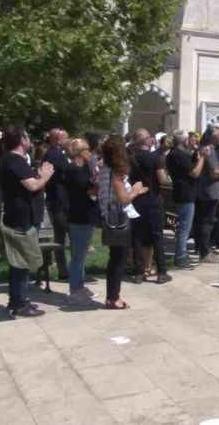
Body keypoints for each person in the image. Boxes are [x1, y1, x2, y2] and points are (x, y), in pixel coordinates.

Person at [0, 125, 54, 318]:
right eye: (27, 137)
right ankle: (20, 303)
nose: (30, 140)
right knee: (22, 262)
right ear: (22, 140)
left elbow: (28, 183)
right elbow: (32, 186)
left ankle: (16, 301)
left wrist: (39, 175)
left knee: (19, 262)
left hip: (23, 216)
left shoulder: (13, 160)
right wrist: (45, 176)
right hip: (22, 219)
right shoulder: (14, 160)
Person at [98, 135, 148, 310]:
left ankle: (112, 296)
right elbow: (123, 199)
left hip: (108, 215)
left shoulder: (104, 168)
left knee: (116, 258)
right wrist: (135, 191)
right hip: (119, 218)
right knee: (118, 259)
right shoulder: (116, 172)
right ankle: (113, 298)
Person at [129, 129, 171, 284]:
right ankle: (162, 272)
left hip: (137, 200)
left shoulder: (130, 159)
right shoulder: (156, 158)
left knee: (138, 236)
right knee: (157, 236)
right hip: (153, 199)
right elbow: (162, 180)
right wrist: (167, 177)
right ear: (146, 141)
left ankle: (139, 273)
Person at [63, 139, 99, 304]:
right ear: (80, 152)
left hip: (86, 214)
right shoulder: (73, 170)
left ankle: (80, 285)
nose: (90, 153)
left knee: (82, 253)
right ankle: (75, 289)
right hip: (79, 216)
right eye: (87, 149)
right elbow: (89, 188)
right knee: (78, 254)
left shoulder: (83, 168)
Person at [166, 130, 205, 269]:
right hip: (185, 194)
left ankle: (181, 254)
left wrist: (196, 155)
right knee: (184, 228)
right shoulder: (179, 155)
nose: (191, 140)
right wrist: (202, 158)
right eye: (188, 138)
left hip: (180, 192)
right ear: (183, 141)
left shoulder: (173, 154)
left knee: (183, 227)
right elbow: (194, 173)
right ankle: (181, 257)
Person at [42, 128, 71, 280]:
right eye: (66, 138)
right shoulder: (56, 155)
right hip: (60, 201)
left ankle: (63, 270)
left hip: (56, 200)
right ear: (58, 140)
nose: (68, 141)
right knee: (69, 234)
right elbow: (68, 174)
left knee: (59, 237)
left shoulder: (52, 154)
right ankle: (71, 271)